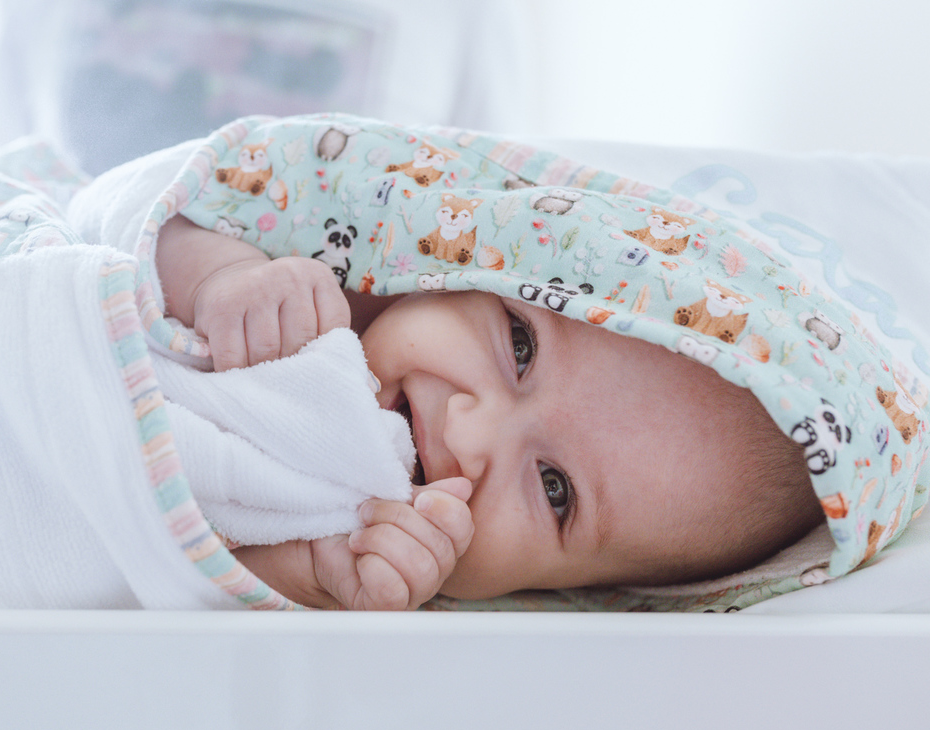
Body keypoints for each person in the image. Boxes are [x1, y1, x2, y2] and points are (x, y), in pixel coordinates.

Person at [155, 214, 824, 611]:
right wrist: (218, 274)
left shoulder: (367, 549)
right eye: (521, 346)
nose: (468, 432)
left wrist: (315, 577)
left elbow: (143, 584)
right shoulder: (303, 287)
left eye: (554, 490)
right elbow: (128, 219)